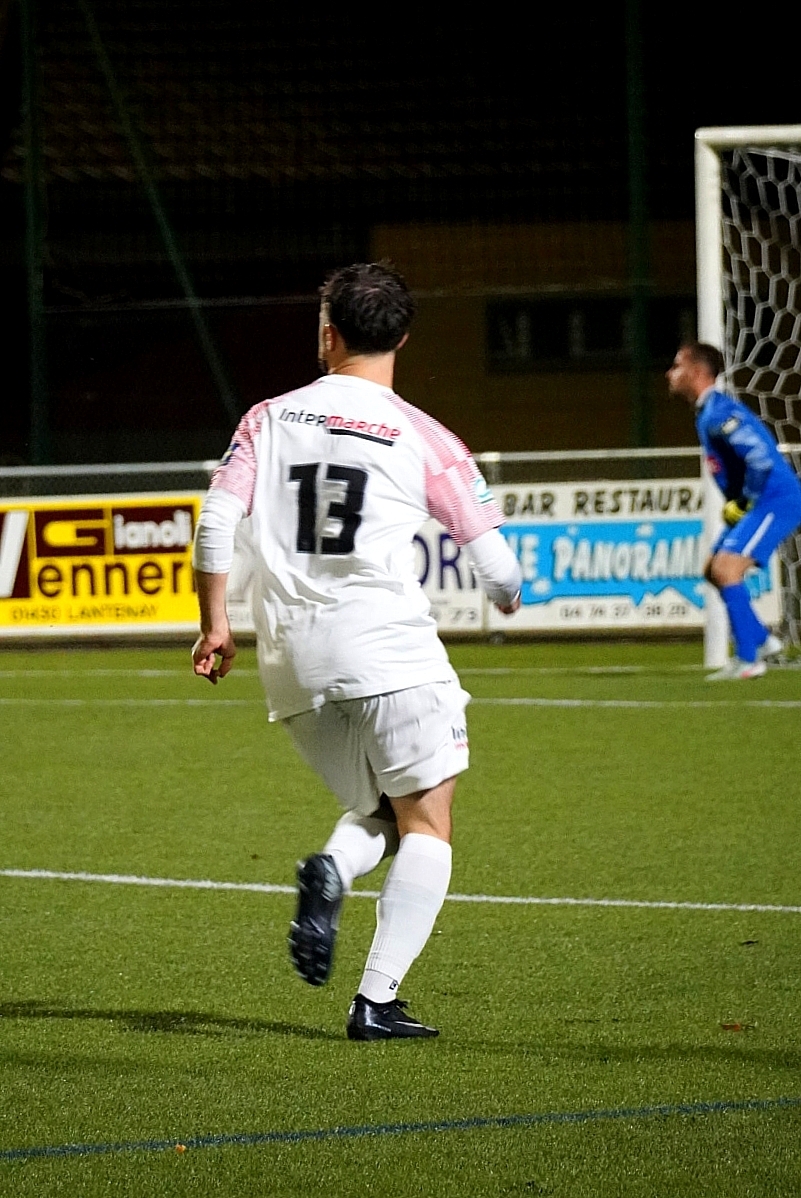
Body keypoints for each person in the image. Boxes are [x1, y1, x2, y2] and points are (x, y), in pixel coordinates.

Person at [191, 262, 522, 1039]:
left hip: (293, 666)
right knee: (428, 823)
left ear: (327, 334)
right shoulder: (425, 436)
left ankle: (335, 871)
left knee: (381, 811)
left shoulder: (267, 419)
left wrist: (215, 625)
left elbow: (215, 524)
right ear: (401, 339)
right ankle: (374, 998)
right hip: (389, 650)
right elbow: (499, 571)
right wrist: (509, 596)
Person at [666, 341, 801, 680]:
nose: (670, 373)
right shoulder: (707, 411)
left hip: (774, 499)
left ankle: (748, 659)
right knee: (713, 570)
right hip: (759, 501)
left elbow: (758, 458)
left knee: (727, 569)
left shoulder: (719, 412)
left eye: (677, 366)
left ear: (697, 372)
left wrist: (744, 501)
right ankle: (764, 642)